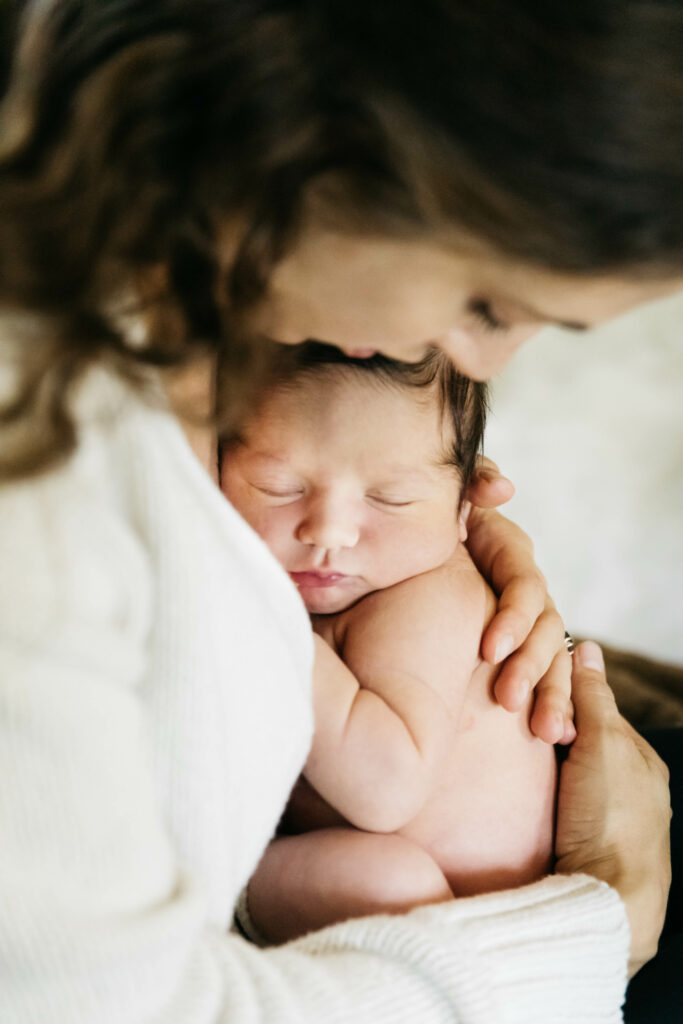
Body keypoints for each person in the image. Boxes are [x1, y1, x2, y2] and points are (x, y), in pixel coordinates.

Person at [0, 1, 678, 1021]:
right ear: (326, 142)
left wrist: (454, 545)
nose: (476, 364)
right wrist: (602, 917)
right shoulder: (45, 505)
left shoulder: (201, 309)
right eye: (486, 304)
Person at [220, 342, 558, 943]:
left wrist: (263, 621)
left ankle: (230, 900)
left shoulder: (426, 597)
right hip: (442, 899)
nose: (329, 530)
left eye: (389, 499)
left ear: (466, 511)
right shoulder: (374, 572)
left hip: (458, 909)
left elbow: (386, 790)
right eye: (278, 486)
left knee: (384, 878)